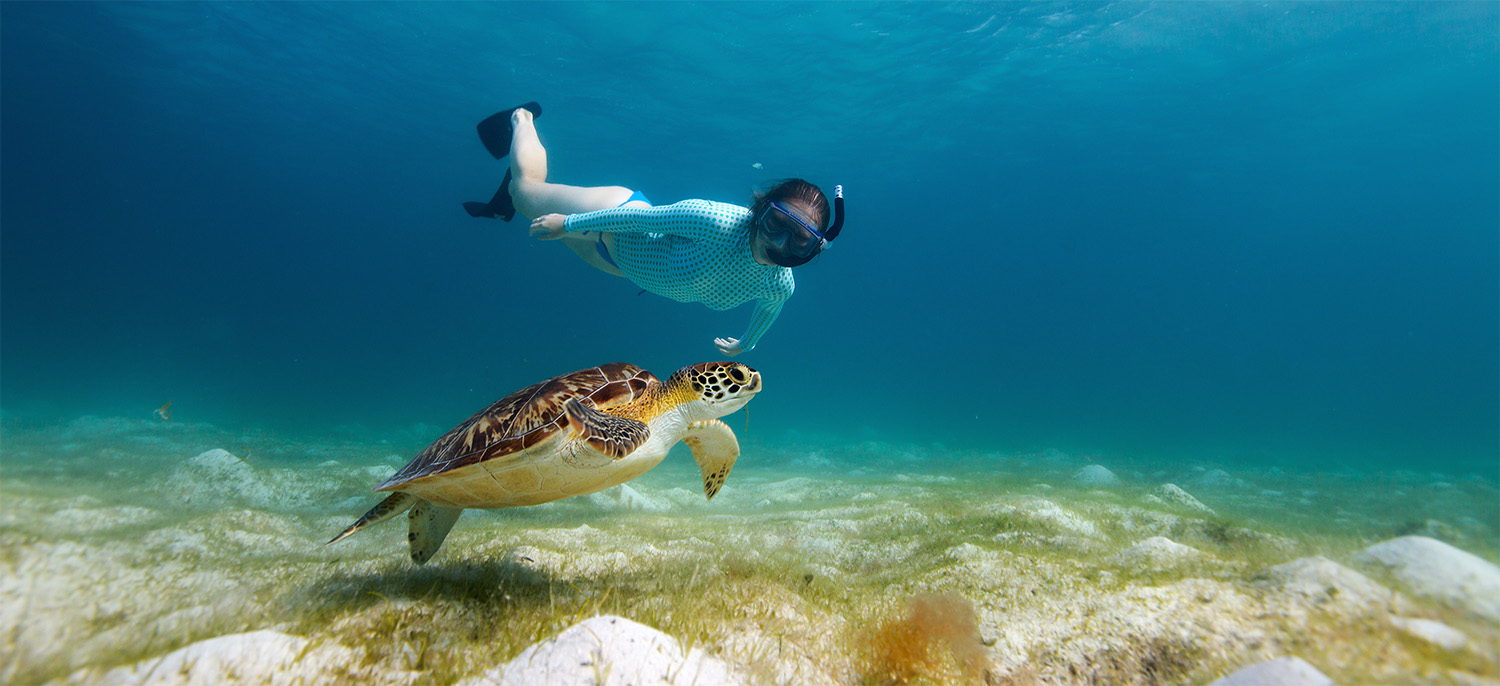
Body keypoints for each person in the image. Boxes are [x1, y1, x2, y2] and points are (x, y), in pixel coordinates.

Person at [463, 102, 844, 357]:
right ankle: (521, 119)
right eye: (777, 222)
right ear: (760, 209)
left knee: (527, 207)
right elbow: (643, 220)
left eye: (799, 239)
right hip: (615, 215)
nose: (778, 242)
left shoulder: (780, 283)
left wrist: (747, 344)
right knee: (525, 194)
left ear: (813, 249)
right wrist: (570, 224)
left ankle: (505, 204)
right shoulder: (713, 220)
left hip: (621, 266)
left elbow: (769, 309)